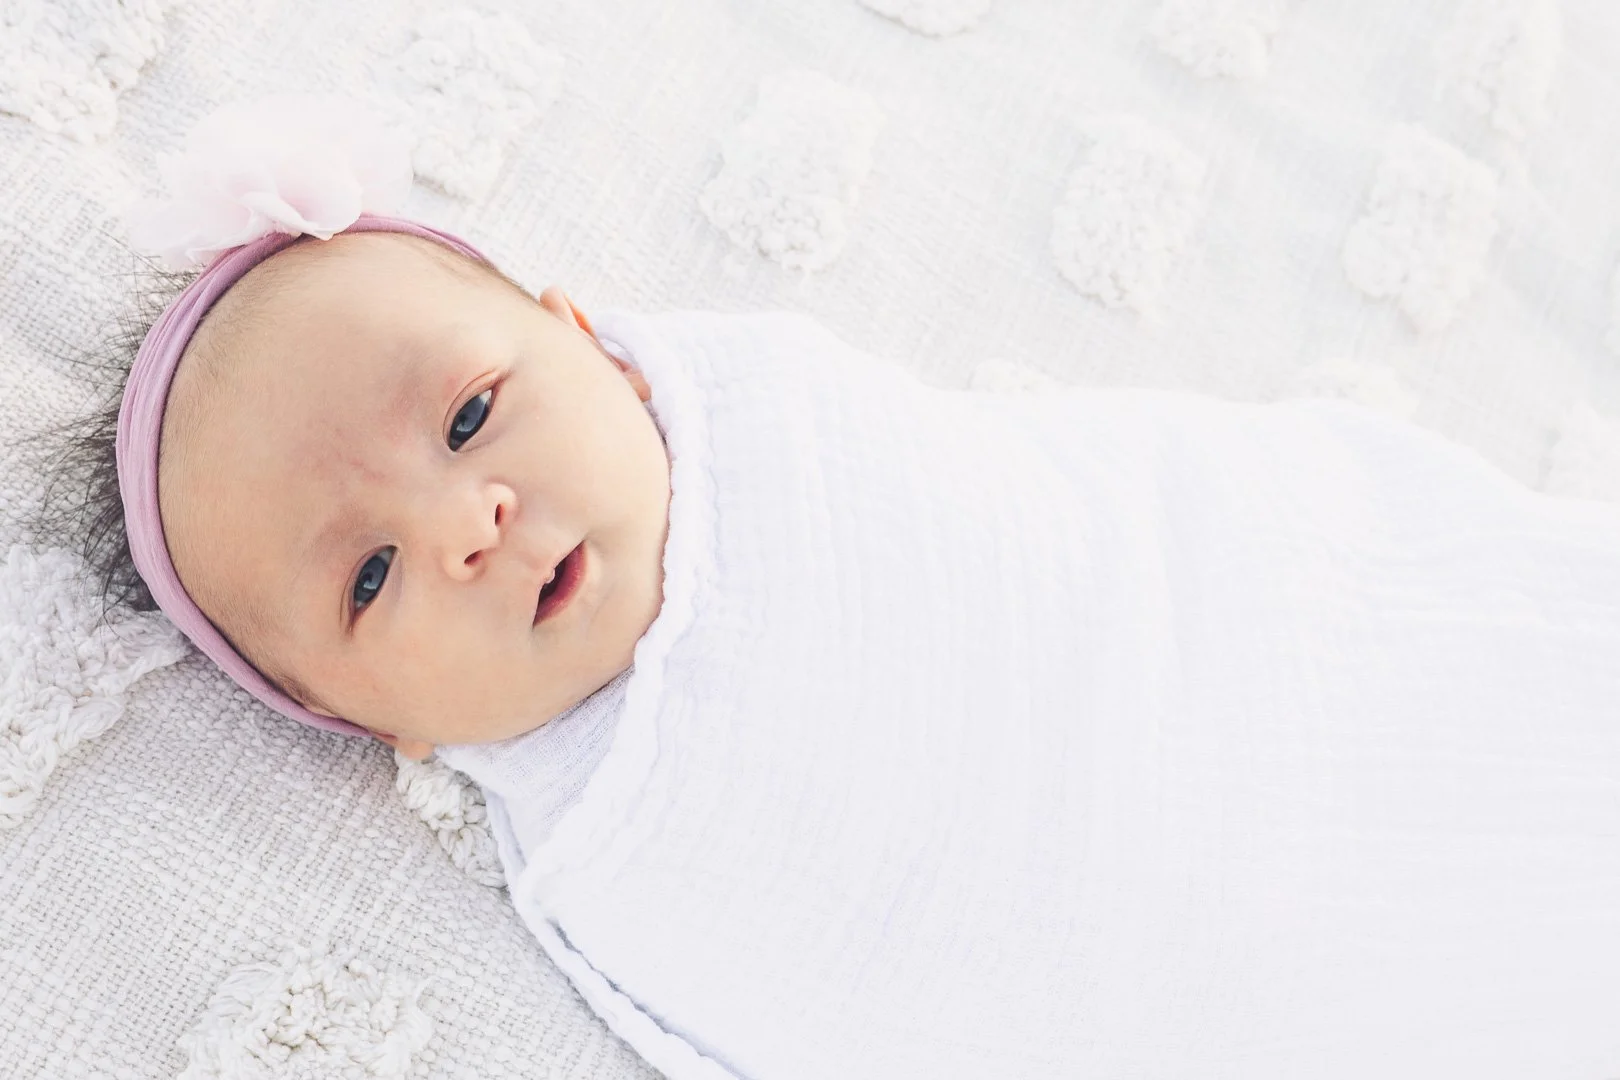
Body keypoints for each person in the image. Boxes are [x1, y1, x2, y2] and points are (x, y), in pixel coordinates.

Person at [47, 95, 1620, 1079]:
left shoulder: (787, 434)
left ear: (587, 337)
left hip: (1271, 645)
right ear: (359, 718)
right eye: (372, 575)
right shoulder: (621, 850)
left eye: (470, 416)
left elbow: (1112, 544)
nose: (473, 521)